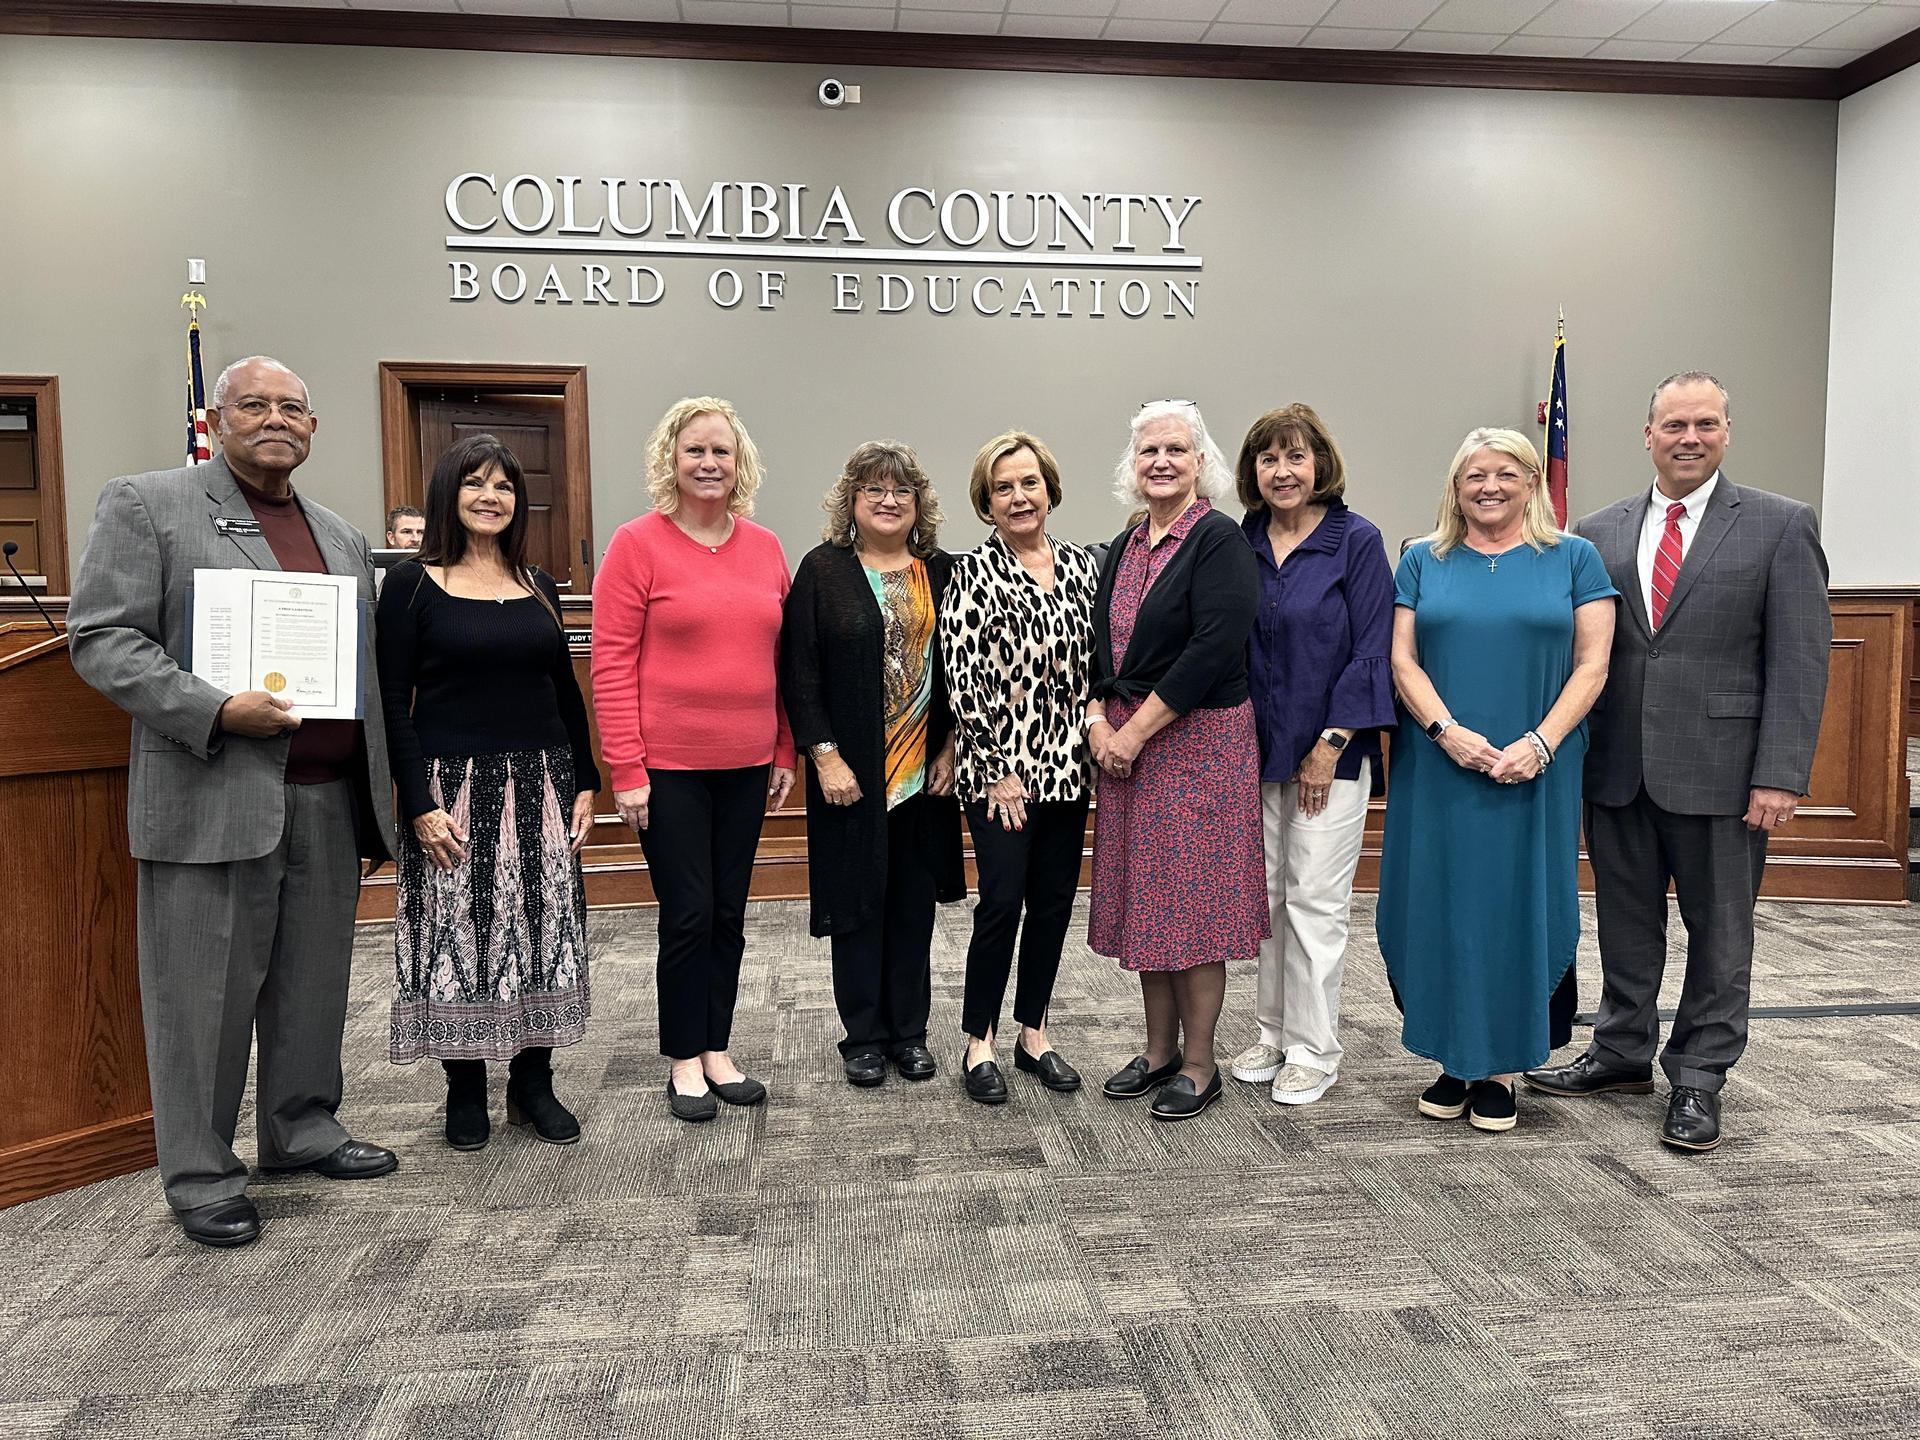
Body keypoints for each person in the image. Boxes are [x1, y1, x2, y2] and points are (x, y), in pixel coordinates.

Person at [67, 355, 398, 1248]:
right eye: (255, 405)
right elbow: (99, 639)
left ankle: (301, 1127)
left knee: (312, 985)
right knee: (200, 999)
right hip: (212, 792)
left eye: (294, 406)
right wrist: (215, 708)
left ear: (313, 429)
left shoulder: (339, 533)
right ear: (218, 419)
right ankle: (203, 1172)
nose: (276, 419)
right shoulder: (149, 505)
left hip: (325, 800)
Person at [1525, 373, 1831, 1152]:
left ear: (1727, 430)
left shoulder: (1778, 524)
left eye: (1703, 424)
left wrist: (1782, 772)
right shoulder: (1597, 529)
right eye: (1673, 425)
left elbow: (1800, 658)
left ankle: (1699, 1075)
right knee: (1626, 925)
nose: (1687, 437)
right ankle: (1622, 1051)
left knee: (1721, 932)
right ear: (1647, 433)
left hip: (1728, 773)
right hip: (1619, 767)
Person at [1377, 428, 1616, 1133]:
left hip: (1535, 769)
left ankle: (1504, 1068)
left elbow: (1592, 664)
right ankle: (1454, 1057)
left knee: (1517, 906)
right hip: (1440, 766)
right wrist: (1446, 732)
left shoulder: (1574, 557)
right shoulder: (1423, 559)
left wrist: (1541, 743)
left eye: (1505, 473)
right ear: (1455, 487)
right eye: (1474, 474)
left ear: (1532, 480)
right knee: (1441, 903)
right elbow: (1402, 660)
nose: (1488, 485)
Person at [377, 434, 600, 1149]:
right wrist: (416, 802)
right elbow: (389, 699)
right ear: (450, 492)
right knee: (459, 935)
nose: (490, 497)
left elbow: (563, 689)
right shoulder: (412, 584)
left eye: (503, 486)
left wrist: (587, 780)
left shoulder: (537, 580)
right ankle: (464, 1089)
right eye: (475, 483)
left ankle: (533, 1086)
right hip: (453, 788)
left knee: (543, 931)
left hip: (542, 783)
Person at [591, 397, 796, 1124]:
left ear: (739, 464)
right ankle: (682, 1057)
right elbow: (610, 663)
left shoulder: (767, 547)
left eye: (721, 452)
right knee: (688, 913)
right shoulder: (636, 544)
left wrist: (782, 747)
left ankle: (717, 1048)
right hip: (667, 769)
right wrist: (627, 769)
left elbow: (781, 660)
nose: (708, 464)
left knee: (730, 913)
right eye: (694, 452)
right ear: (670, 462)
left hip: (746, 765)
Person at [1087, 400, 1265, 1122]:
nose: (1161, 461)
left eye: (1176, 450)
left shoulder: (1218, 540)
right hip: (1126, 741)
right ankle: (1158, 1052)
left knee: (1193, 907)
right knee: (1148, 903)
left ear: (1201, 464)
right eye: (1149, 451)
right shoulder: (1127, 544)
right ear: (1134, 466)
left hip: (1199, 744)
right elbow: (1098, 642)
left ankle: (1199, 1063)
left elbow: (1212, 649)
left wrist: (1134, 733)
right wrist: (1099, 719)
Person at [1225, 405, 1395, 1107]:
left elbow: (1372, 649)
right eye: (1269, 459)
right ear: (1252, 472)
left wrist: (1330, 744)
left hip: (1333, 755)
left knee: (1316, 905)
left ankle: (1316, 1048)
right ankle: (1273, 1032)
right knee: (1265, 902)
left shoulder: (1356, 541)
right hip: (1254, 753)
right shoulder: (1245, 539)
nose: (1283, 471)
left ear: (1320, 464)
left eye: (1296, 457)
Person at [780, 441, 965, 1088]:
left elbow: (963, 674)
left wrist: (950, 749)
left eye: (902, 492)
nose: (889, 502)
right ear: (851, 503)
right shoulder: (823, 570)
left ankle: (909, 1033)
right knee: (857, 903)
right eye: (874, 491)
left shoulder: (942, 573)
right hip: (850, 777)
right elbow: (798, 672)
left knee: (913, 906)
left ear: (919, 506)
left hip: (923, 775)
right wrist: (824, 757)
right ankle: (862, 1036)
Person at [940, 430, 1099, 1105]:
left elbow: (1099, 666)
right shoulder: (972, 571)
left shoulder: (1086, 569)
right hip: (1000, 774)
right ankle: (979, 1040)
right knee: (1002, 901)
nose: (1018, 496)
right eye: (1003, 487)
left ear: (1049, 489)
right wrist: (1001, 768)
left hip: (1069, 770)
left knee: (1055, 905)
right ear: (987, 502)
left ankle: (1034, 1032)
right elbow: (962, 676)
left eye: (1028, 483)